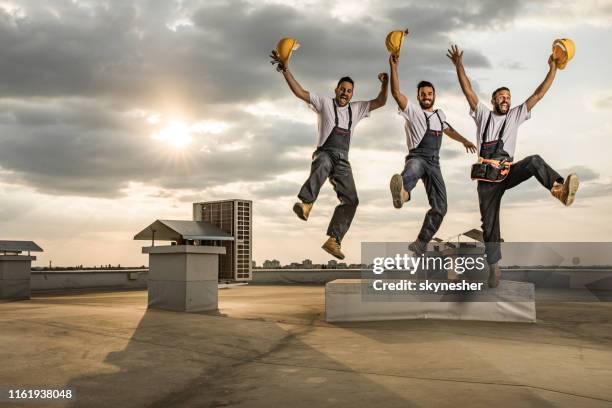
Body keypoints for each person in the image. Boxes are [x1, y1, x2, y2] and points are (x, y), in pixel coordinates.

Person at [447, 44, 579, 287]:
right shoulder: (483, 116)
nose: (506, 99)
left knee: (534, 161)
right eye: (501, 96)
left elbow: (538, 94)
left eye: (508, 96)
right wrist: (459, 66)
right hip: (487, 178)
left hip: (507, 171)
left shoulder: (516, 115)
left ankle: (558, 189)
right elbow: (468, 91)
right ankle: (494, 268)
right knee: (490, 224)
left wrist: (553, 70)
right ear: (494, 100)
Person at [270, 49, 388, 259]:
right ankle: (306, 204)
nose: (345, 93)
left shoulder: (357, 109)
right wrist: (285, 69)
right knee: (323, 162)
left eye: (349, 91)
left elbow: (381, 101)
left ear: (352, 94)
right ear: (336, 90)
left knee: (352, 200)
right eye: (342, 89)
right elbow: (300, 92)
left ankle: (334, 240)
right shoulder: (324, 103)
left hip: (343, 161)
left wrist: (385, 83)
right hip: (324, 153)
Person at [388, 53, 476, 255]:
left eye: (429, 94)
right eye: (423, 94)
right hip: (418, 156)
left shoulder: (440, 114)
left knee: (441, 207)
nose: (426, 97)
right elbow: (396, 92)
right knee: (412, 169)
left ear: (434, 96)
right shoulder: (412, 111)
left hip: (435, 164)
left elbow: (449, 130)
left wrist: (465, 141)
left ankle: (420, 241)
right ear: (418, 96)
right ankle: (403, 192)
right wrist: (393, 67)